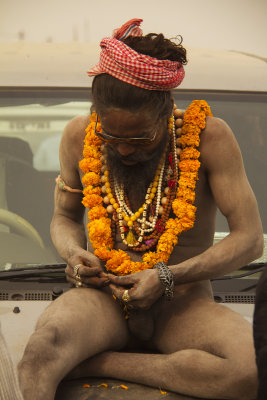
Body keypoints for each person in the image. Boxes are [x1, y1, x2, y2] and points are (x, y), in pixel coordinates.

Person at [18, 19, 263, 400]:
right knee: (39, 354)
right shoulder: (79, 136)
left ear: (166, 111)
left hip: (180, 301)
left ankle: (95, 362)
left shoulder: (210, 137)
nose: (125, 149)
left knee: (249, 370)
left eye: (139, 138)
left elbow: (249, 240)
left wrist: (168, 276)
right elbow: (65, 217)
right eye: (112, 138)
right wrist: (74, 253)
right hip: (103, 297)